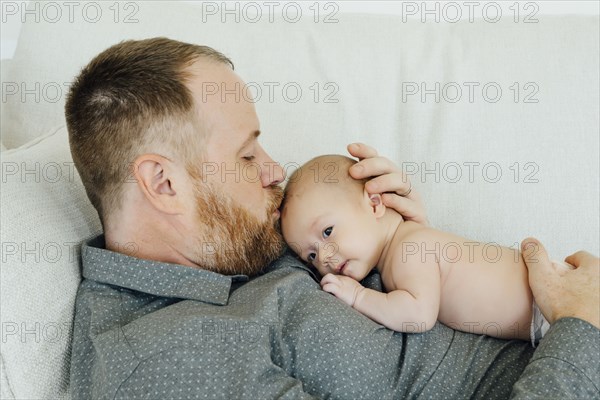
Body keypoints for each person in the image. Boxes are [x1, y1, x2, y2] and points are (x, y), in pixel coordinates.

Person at [66, 37, 599, 399]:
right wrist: (583, 330)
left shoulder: (231, 241)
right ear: (163, 184)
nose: (276, 171)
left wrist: (396, 240)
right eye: (247, 157)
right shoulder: (163, 361)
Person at [281, 155, 568, 346]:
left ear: (374, 203)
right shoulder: (409, 244)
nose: (326, 258)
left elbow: (418, 315)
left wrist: (358, 296)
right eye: (312, 256)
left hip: (551, 305)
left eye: (328, 232)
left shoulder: (409, 249)